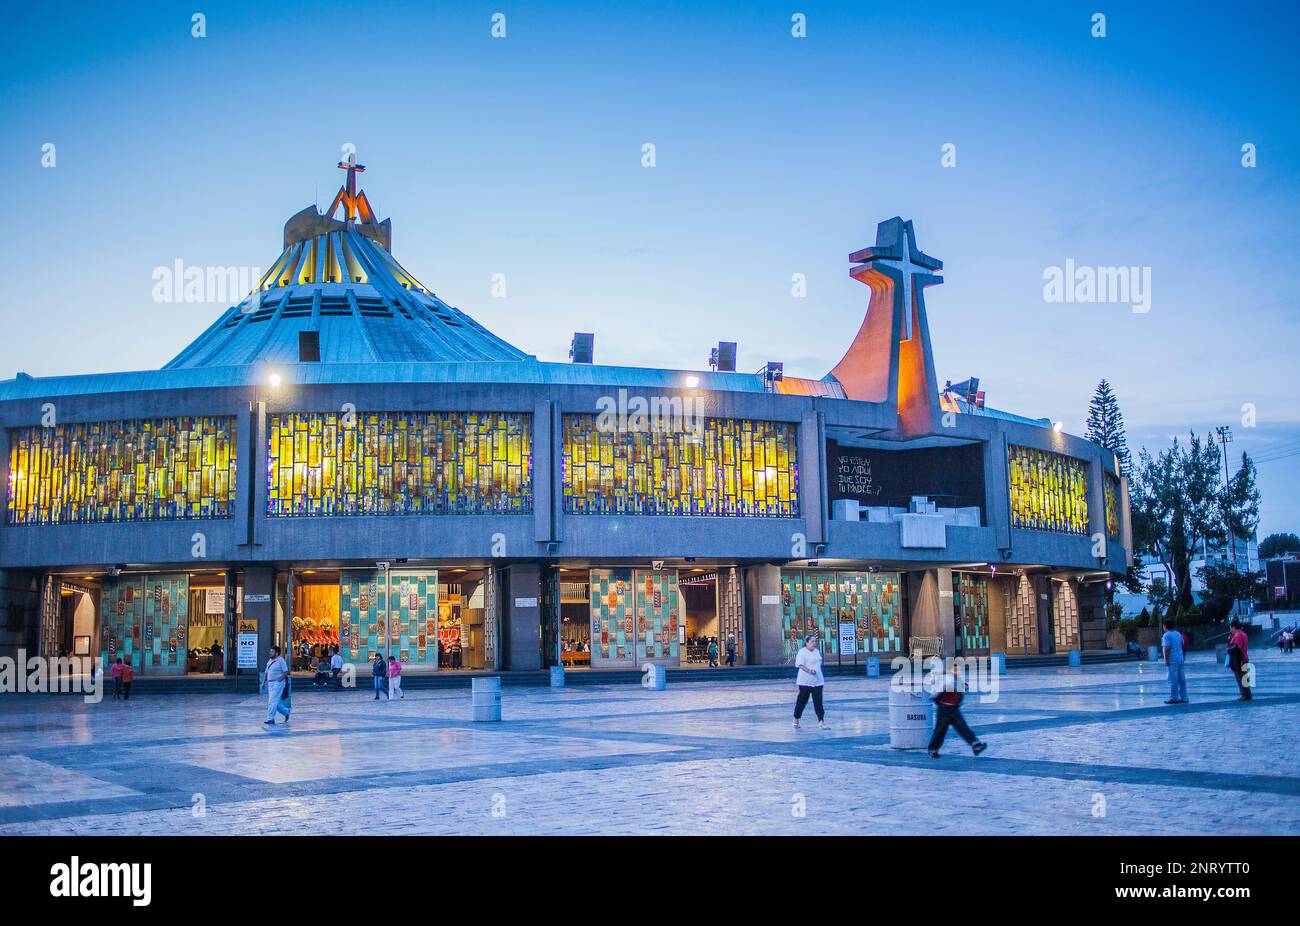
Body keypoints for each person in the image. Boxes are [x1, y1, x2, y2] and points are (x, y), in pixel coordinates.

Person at [928, 666, 988, 759]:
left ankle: (976, 745)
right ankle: (933, 750)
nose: (957, 671)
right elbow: (934, 695)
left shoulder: (956, 679)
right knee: (940, 730)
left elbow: (965, 687)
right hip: (945, 709)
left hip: (954, 708)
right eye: (955, 669)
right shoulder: (946, 679)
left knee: (963, 727)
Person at [793, 634, 827, 730]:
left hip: (818, 681)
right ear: (806, 642)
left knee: (818, 702)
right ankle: (796, 719)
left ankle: (821, 721)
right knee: (802, 701)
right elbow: (800, 665)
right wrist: (809, 671)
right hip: (805, 682)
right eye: (812, 641)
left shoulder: (817, 652)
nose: (814, 643)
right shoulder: (802, 652)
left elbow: (819, 663)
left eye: (815, 641)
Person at [1161, 618, 1188, 704]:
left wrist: (1166, 659)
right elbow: (1183, 646)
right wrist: (1183, 656)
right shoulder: (1178, 634)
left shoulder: (1166, 635)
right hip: (1180, 658)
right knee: (1182, 679)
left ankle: (1174, 697)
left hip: (1173, 659)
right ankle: (1184, 697)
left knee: (1173, 679)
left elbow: (1167, 648)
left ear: (1165, 626)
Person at [262, 646, 291, 725]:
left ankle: (270, 719)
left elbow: (285, 672)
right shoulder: (270, 661)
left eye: (272, 651)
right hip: (270, 683)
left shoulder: (281, 660)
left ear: (277, 653)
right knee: (275, 702)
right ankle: (286, 712)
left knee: (272, 701)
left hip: (278, 683)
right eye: (270, 651)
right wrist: (264, 682)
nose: (270, 653)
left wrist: (280, 679)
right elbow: (267, 672)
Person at [1227, 618, 1252, 701]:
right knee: (1244, 678)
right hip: (1244, 658)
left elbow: (1237, 647)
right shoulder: (1243, 634)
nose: (1230, 630)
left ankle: (1244, 695)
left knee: (1240, 677)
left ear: (1234, 627)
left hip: (1239, 659)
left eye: (1230, 628)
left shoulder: (1238, 635)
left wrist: (1229, 647)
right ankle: (1248, 694)